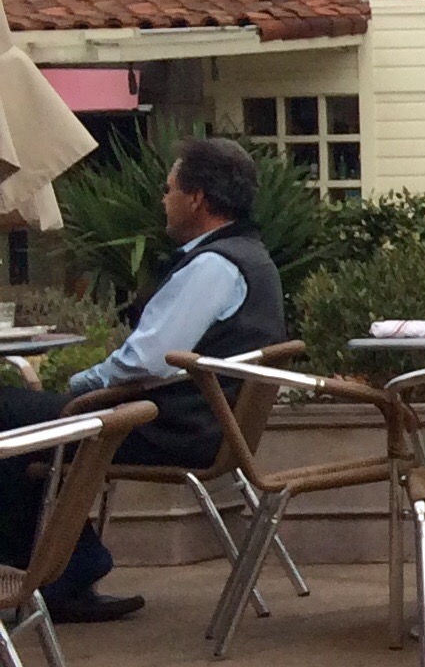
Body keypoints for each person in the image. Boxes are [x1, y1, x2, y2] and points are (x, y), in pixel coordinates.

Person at [0, 135, 290, 620]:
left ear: (196, 198)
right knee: (28, 427)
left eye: (169, 188)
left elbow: (147, 361)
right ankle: (69, 568)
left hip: (170, 428)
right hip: (201, 424)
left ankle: (59, 571)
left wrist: (79, 383)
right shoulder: (250, 255)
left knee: (11, 415)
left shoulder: (213, 266)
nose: (163, 199)